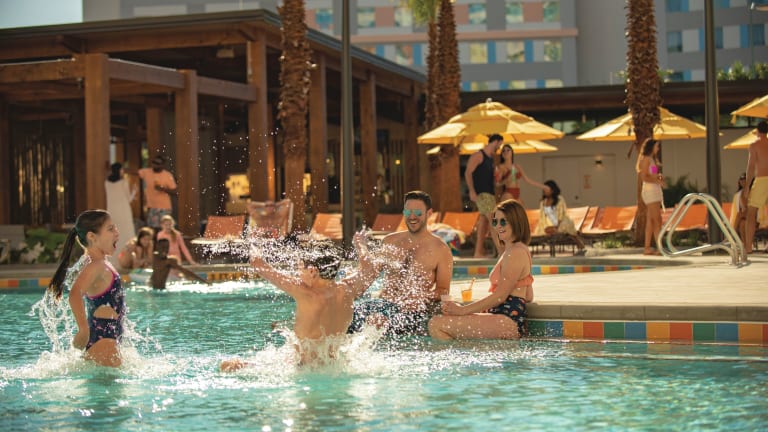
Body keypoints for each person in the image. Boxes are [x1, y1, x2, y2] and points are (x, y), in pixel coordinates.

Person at [220, 236, 373, 370]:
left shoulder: (305, 293)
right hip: (333, 365)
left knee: (228, 365)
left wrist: (253, 244)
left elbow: (257, 263)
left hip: (304, 368)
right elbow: (368, 267)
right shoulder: (347, 289)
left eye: (300, 268)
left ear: (312, 271)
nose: (297, 274)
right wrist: (360, 244)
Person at [347, 190, 454, 336]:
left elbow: (443, 290)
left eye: (418, 212)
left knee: (376, 323)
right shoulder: (390, 241)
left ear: (429, 213)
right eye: (408, 212)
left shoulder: (441, 249)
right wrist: (361, 248)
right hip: (380, 305)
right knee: (342, 319)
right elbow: (369, 274)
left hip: (410, 312)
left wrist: (423, 296)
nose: (412, 217)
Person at [429, 199, 534, 340]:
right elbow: (528, 295)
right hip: (503, 318)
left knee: (436, 324)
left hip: (506, 320)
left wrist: (463, 310)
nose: (498, 226)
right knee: (443, 322)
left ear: (516, 221)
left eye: (503, 222)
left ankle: (459, 353)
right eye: (495, 222)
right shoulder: (516, 250)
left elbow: (500, 296)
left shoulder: (515, 253)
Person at [47, 209, 125, 367]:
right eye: (110, 229)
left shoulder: (97, 263)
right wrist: (83, 330)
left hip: (105, 336)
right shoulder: (96, 266)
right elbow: (75, 294)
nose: (117, 232)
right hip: (104, 339)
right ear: (92, 237)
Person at [465, 134, 503, 257]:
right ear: (496, 142)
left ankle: (478, 252)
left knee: (484, 223)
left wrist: (497, 178)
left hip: (490, 194)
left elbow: (491, 179)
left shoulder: (491, 159)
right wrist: (471, 191)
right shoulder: (478, 155)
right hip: (481, 194)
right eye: (500, 144)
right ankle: (501, 250)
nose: (500, 147)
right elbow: (468, 173)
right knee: (493, 220)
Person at [534, 180, 586, 255]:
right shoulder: (543, 202)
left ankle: (578, 243)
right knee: (546, 229)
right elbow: (542, 218)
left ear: (552, 190)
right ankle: (575, 239)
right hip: (549, 226)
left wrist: (556, 226)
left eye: (546, 189)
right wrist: (547, 228)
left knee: (565, 226)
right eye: (544, 189)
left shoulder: (560, 199)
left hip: (561, 223)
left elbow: (561, 214)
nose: (544, 191)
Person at [742, 121, 768, 254]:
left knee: (751, 213)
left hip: (762, 179)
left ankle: (748, 247)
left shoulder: (754, 145)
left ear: (757, 131)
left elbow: (751, 167)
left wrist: (747, 186)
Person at [637, 138, 665, 256]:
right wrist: (657, 181)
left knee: (651, 220)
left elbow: (651, 175)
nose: (658, 149)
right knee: (656, 219)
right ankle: (659, 247)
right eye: (656, 146)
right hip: (650, 191)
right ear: (651, 147)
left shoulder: (651, 159)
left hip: (654, 190)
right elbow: (644, 177)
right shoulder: (646, 160)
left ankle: (647, 247)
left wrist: (658, 177)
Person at [105, 162, 136, 268]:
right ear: (119, 170)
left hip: (112, 212)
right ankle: (127, 259)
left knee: (114, 234)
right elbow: (129, 199)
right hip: (124, 211)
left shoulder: (107, 182)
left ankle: (113, 260)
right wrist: (134, 191)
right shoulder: (123, 181)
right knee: (126, 233)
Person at [138, 155, 177, 232]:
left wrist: (162, 189)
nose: (154, 165)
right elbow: (135, 172)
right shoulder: (147, 172)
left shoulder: (167, 175)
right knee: (151, 229)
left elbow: (175, 191)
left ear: (162, 165)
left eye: (157, 163)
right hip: (151, 206)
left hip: (164, 207)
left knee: (164, 229)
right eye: (153, 162)